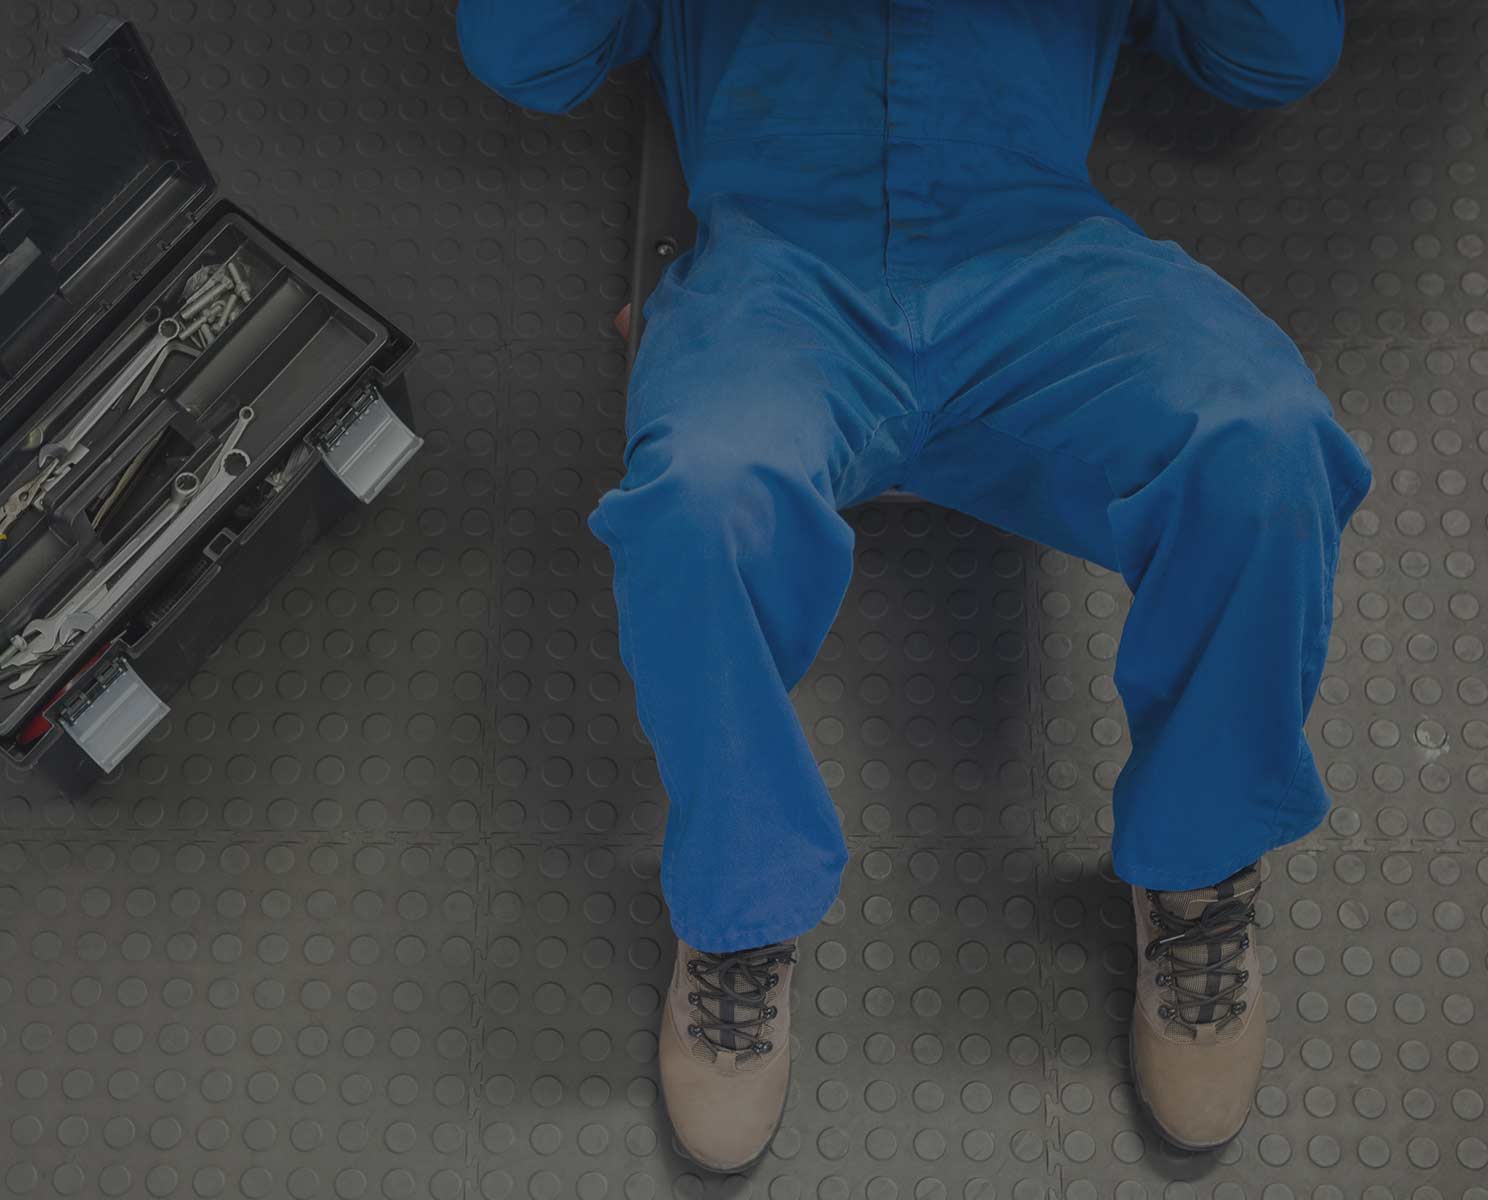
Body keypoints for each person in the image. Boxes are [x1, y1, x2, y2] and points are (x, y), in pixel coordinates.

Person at [458, 0, 1371, 1174]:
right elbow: (522, 57)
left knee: (1267, 445)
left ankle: (1199, 871)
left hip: (1040, 266)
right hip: (782, 284)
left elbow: (1276, 57)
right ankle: (740, 920)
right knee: (699, 500)